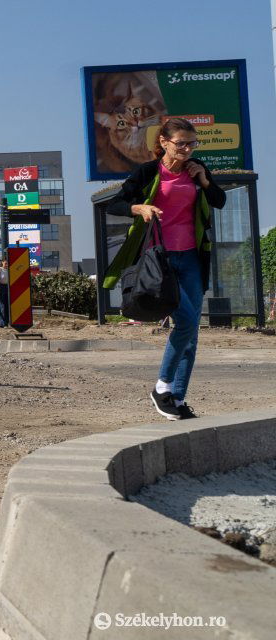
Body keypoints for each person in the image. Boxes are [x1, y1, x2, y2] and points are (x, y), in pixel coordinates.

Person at [103, 116, 226, 421]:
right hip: (161, 261)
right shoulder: (148, 172)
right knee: (186, 322)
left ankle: (177, 399)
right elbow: (115, 204)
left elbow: (219, 200)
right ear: (163, 142)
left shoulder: (196, 169)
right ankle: (161, 387)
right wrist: (139, 207)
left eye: (192, 143)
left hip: (192, 258)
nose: (187, 149)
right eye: (181, 143)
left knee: (191, 331)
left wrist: (204, 181)